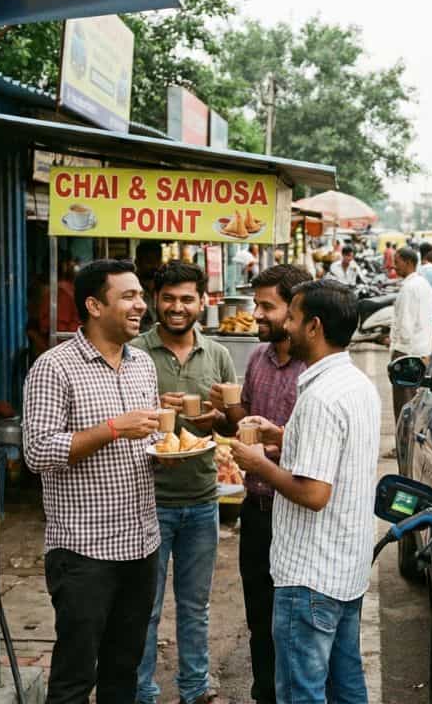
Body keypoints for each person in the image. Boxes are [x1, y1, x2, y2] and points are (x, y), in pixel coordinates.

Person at [229, 280, 381, 704]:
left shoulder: (320, 398)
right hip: (344, 570)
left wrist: (259, 463)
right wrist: (283, 436)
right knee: (346, 685)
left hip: (310, 575)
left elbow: (314, 493)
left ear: (313, 326)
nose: (286, 327)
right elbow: (339, 455)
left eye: (292, 318)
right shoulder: (356, 383)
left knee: (301, 692)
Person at [23, 259, 163, 704]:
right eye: (128, 296)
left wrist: (171, 452)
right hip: (84, 551)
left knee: (124, 671)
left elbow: (153, 440)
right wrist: (113, 428)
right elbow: (38, 452)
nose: (141, 304)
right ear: (93, 305)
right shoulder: (54, 367)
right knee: (74, 678)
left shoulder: (142, 364)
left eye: (140, 295)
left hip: (141, 545)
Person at [131, 261, 237, 704]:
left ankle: (195, 687)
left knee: (195, 606)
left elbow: (234, 417)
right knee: (146, 609)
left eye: (187, 299)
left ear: (203, 302)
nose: (177, 307)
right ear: (157, 300)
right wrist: (155, 406)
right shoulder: (135, 351)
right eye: (169, 298)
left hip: (202, 498)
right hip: (146, 499)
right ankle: (142, 690)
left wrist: (219, 414)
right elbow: (120, 416)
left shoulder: (217, 355)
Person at [209, 264, 313, 704]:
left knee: (299, 623)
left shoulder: (314, 370)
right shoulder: (256, 359)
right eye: (256, 304)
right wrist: (222, 413)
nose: (257, 314)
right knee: (260, 617)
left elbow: (319, 455)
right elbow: (242, 428)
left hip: (297, 510)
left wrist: (268, 452)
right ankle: (264, 695)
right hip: (256, 510)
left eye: (267, 306)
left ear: (296, 311)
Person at [389, 248, 432, 423]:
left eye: (397, 261)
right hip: (422, 351)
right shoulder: (424, 284)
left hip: (407, 352)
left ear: (408, 263)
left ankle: (402, 447)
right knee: (413, 403)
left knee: (403, 404)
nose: (395, 266)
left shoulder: (409, 287)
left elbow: (405, 325)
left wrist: (397, 351)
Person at [40, 256, 81, 339]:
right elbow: (61, 329)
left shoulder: (70, 289)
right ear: (64, 267)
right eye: (73, 264)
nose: (77, 268)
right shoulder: (62, 292)